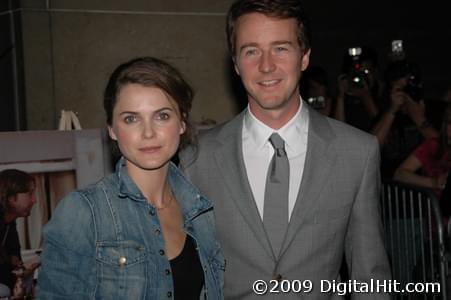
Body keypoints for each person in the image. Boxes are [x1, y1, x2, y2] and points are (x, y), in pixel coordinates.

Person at [179, 0, 391, 298]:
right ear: (236, 64)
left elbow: (370, 276)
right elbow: (191, 276)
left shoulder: (356, 152)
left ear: (304, 57)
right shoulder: (196, 158)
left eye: (281, 48)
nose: (266, 65)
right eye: (251, 51)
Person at [37, 57, 225, 299]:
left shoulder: (201, 211)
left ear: (182, 123)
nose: (148, 132)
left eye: (162, 116)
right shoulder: (83, 212)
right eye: (131, 119)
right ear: (112, 130)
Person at [371, 60, 438, 178]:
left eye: (409, 88)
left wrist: (420, 119)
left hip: (425, 186)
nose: (406, 94)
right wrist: (392, 110)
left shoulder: (434, 109)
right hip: (392, 189)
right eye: (400, 90)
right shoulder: (385, 115)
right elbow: (370, 149)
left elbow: (444, 150)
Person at [394, 104, 451, 213]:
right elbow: (400, 174)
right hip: (439, 221)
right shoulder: (434, 146)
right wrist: (434, 182)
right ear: (446, 125)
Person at [0, 169, 39, 298]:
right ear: (11, 198)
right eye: (30, 194)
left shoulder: (9, 223)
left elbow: (14, 263)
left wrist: (23, 271)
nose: (34, 200)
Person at [334, 45, 383, 132]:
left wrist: (366, 97)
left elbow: (385, 136)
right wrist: (340, 96)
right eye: (357, 73)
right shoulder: (344, 101)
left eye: (366, 72)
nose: (361, 77)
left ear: (375, 72)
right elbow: (339, 133)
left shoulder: (386, 96)